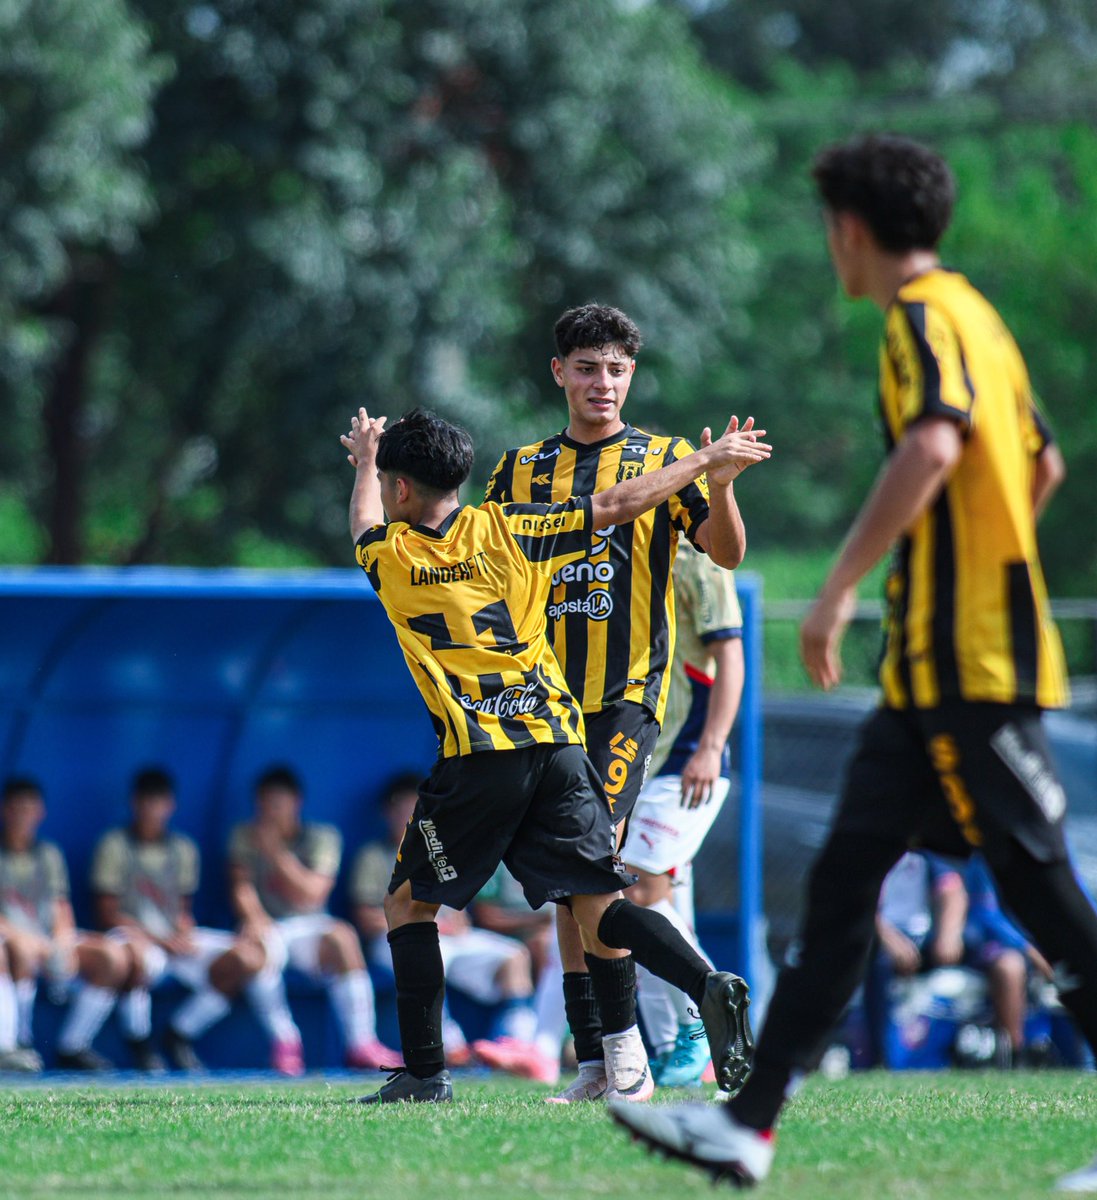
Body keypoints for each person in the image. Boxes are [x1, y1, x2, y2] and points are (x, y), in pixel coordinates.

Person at [609, 132, 1097, 1186]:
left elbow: (932, 445)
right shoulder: (980, 320)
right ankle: (749, 1124)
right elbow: (1040, 461)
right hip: (930, 676)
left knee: (1044, 893)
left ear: (848, 228)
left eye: (825, 227)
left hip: (969, 666)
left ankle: (749, 1117)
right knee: (840, 887)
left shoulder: (918, 318)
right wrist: (973, 543)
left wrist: (834, 594)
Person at [340, 404, 769, 1104]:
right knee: (598, 902)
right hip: (563, 745)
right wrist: (701, 462)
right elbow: (614, 503)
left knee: (407, 905)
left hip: (481, 756)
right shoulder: (511, 525)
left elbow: (361, 525)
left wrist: (362, 463)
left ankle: (422, 1073)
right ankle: (706, 982)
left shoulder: (392, 554)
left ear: (401, 491)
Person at [484, 302, 760, 1102]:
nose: (601, 382)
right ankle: (597, 1062)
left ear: (629, 375)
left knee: (590, 873)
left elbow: (725, 552)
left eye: (615, 368)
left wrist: (720, 483)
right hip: (538, 706)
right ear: (558, 373)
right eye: (586, 367)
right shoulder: (519, 471)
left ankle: (636, 1053)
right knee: (571, 890)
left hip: (621, 701)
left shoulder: (670, 456)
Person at [623, 540, 745, 1086]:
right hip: (634, 759)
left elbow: (730, 657)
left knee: (636, 891)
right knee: (639, 902)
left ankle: (704, 1020)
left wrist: (712, 746)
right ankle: (684, 1045)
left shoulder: (698, 561)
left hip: (685, 760)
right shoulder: (618, 547)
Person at [350, 773, 537, 1067]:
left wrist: (454, 924)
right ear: (388, 811)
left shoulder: (440, 851)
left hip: (449, 937)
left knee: (514, 955)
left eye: (417, 805)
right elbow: (365, 919)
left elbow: (460, 911)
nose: (410, 813)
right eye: (402, 806)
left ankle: (513, 1043)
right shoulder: (374, 856)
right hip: (394, 939)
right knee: (427, 954)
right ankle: (449, 1045)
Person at [90, 767, 267, 1071]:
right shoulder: (115, 844)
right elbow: (108, 913)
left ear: (170, 805)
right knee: (138, 958)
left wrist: (183, 931)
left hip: (171, 940)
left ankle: (180, 1033)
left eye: (159, 802)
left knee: (247, 958)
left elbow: (181, 909)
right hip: (133, 936)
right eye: (146, 802)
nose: (152, 810)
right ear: (134, 803)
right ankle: (140, 1043)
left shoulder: (183, 848)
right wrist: (160, 939)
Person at [228, 766, 396, 1075]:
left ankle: (362, 1044)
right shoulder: (244, 834)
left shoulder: (322, 836)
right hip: (270, 926)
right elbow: (241, 886)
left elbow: (312, 896)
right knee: (256, 948)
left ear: (296, 802)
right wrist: (253, 918)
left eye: (278, 803)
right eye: (265, 804)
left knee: (342, 936)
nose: (271, 812)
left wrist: (275, 851)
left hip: (308, 925)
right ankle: (285, 1042)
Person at [0, 777, 128, 1071]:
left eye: (28, 808)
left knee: (111, 956)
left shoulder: (49, 854)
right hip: (11, 941)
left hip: (46, 941)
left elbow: (61, 906)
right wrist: (22, 939)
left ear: (40, 812)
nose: (22, 815)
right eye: (16, 808)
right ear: (4, 810)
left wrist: (63, 939)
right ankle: (13, 1044)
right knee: (10, 950)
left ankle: (74, 1045)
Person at [863, 851, 966, 1068]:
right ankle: (881, 1059)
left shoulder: (925, 852)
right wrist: (890, 941)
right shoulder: (872, 847)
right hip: (880, 937)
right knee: (877, 964)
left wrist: (948, 935)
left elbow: (952, 889)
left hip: (923, 936)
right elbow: (860, 902)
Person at [959, 852, 1054, 1068]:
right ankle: (1015, 1053)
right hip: (995, 945)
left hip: (1042, 944)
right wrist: (1030, 951)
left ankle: (1080, 1059)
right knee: (1009, 967)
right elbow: (986, 914)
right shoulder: (986, 858)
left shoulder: (1049, 855)